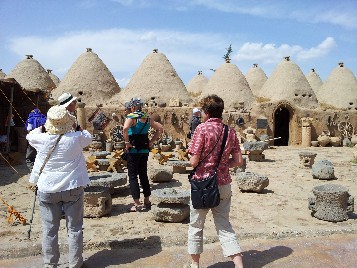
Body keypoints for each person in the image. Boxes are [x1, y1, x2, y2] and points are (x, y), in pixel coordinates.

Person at [26, 105, 92, 268]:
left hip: (48, 189)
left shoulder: (40, 139)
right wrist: (75, 125)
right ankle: (75, 263)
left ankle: (50, 264)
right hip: (72, 187)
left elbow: (30, 135)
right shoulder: (76, 138)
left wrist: (44, 126)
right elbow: (88, 136)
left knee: (49, 230)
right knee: (74, 229)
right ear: (67, 123)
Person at [187, 95, 244, 268]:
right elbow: (239, 161)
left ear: (206, 112)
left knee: (196, 225)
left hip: (202, 185)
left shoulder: (201, 129)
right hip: (223, 184)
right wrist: (223, 166)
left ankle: (195, 265)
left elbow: (193, 161)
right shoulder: (230, 131)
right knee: (224, 225)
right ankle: (239, 265)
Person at [123, 97, 163, 212]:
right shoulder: (147, 118)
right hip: (144, 150)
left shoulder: (132, 117)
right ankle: (147, 200)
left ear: (133, 107)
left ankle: (136, 203)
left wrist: (126, 142)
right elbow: (160, 129)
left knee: (133, 176)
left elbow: (125, 128)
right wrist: (151, 142)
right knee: (143, 175)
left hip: (133, 150)